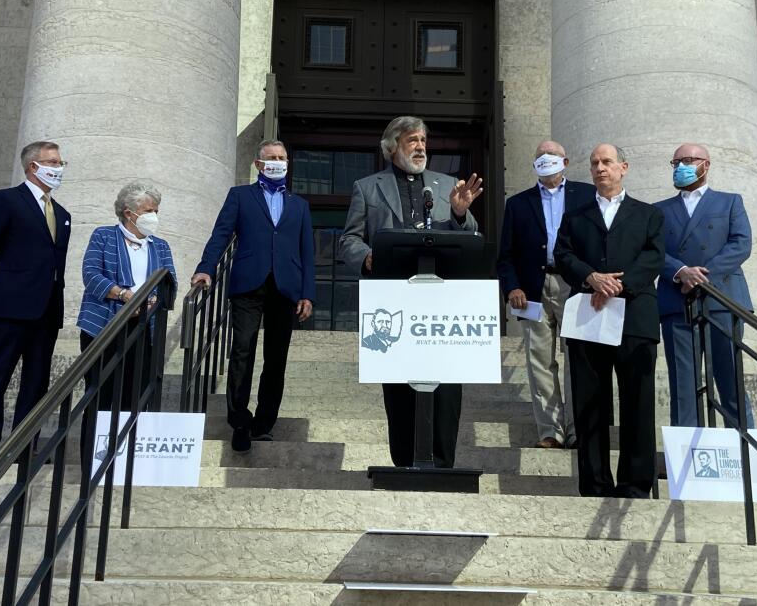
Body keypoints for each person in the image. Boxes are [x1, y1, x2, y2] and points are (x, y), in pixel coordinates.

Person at [339, 115, 483, 468]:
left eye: (423, 141)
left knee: (446, 385)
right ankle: (404, 461)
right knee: (399, 385)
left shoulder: (449, 185)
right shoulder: (367, 187)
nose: (420, 147)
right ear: (392, 148)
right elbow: (348, 240)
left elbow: (471, 238)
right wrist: (368, 257)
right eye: (411, 141)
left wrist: (462, 215)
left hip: (442, 304)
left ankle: (442, 461)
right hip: (392, 303)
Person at [554, 143, 665, 498]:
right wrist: (591, 278)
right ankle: (595, 484)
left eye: (607, 162)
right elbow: (563, 255)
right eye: (594, 164)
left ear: (624, 167)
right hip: (589, 316)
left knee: (637, 402)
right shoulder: (575, 216)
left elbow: (654, 258)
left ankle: (635, 484)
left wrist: (616, 284)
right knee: (589, 404)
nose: (600, 168)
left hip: (635, 318)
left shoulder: (648, 215)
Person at [192, 140, 315, 454]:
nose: (277, 162)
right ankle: (239, 421)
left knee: (276, 359)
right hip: (248, 283)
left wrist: (307, 293)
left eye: (282, 158)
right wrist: (205, 268)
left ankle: (264, 423)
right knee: (242, 350)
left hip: (285, 287)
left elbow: (307, 252)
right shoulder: (240, 196)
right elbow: (221, 233)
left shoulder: (299, 205)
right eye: (271, 158)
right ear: (259, 164)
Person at [0, 141, 71, 464]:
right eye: (52, 161)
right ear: (33, 167)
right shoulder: (6, 201)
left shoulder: (62, 214)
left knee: (36, 378)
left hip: (47, 308)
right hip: (11, 306)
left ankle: (26, 443)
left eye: (60, 161)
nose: (59, 166)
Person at [497, 140, 595, 450]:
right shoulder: (518, 203)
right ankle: (550, 430)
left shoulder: (586, 195)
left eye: (551, 155)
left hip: (575, 285)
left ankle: (580, 428)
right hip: (531, 289)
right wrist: (512, 286)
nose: (545, 159)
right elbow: (505, 254)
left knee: (579, 357)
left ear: (565, 161)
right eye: (540, 155)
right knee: (539, 360)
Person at [655, 143, 755, 428]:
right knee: (683, 388)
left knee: (730, 380)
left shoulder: (730, 201)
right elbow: (651, 251)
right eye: (675, 163)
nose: (681, 167)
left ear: (706, 164)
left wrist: (702, 277)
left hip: (722, 299)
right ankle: (688, 456)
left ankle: (743, 451)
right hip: (677, 302)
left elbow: (741, 244)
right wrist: (681, 271)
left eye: (687, 160)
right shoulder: (658, 210)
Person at [76, 182, 177, 463]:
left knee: (137, 394)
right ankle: (91, 462)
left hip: (145, 328)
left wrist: (152, 301)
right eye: (148, 211)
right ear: (128, 212)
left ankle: (126, 462)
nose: (153, 216)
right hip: (103, 325)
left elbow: (171, 283)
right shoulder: (104, 236)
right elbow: (91, 275)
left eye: (156, 211)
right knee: (100, 393)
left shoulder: (161, 246)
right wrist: (124, 295)